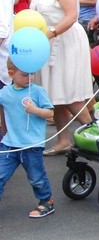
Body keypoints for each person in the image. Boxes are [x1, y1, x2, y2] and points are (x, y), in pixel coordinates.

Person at [30, 0, 94, 156]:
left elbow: (71, 16)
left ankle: (96, 132)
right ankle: (63, 140)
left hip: (66, 41)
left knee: (70, 93)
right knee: (54, 93)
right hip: (48, 42)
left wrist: (52, 33)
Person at [0, 59, 55, 218]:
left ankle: (46, 201)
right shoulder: (5, 93)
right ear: (11, 74)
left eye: (32, 73)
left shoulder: (37, 91)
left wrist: (34, 109)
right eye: (25, 75)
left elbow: (50, 113)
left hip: (32, 145)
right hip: (9, 144)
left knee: (36, 177)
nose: (29, 77)